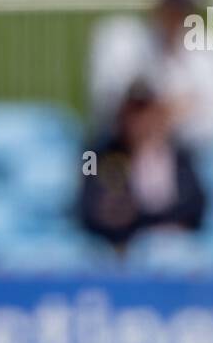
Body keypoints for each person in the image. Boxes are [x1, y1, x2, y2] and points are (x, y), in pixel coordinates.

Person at [87, 0, 213, 149]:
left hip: (189, 153)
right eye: (173, 5)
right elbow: (107, 104)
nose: (178, 15)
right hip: (120, 150)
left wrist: (172, 116)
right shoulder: (124, 39)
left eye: (184, 8)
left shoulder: (210, 49)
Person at [80, 79, 206, 250]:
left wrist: (139, 215)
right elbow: (89, 209)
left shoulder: (181, 154)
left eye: (148, 111)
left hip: (174, 249)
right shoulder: (97, 154)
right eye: (134, 113)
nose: (141, 121)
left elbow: (194, 206)